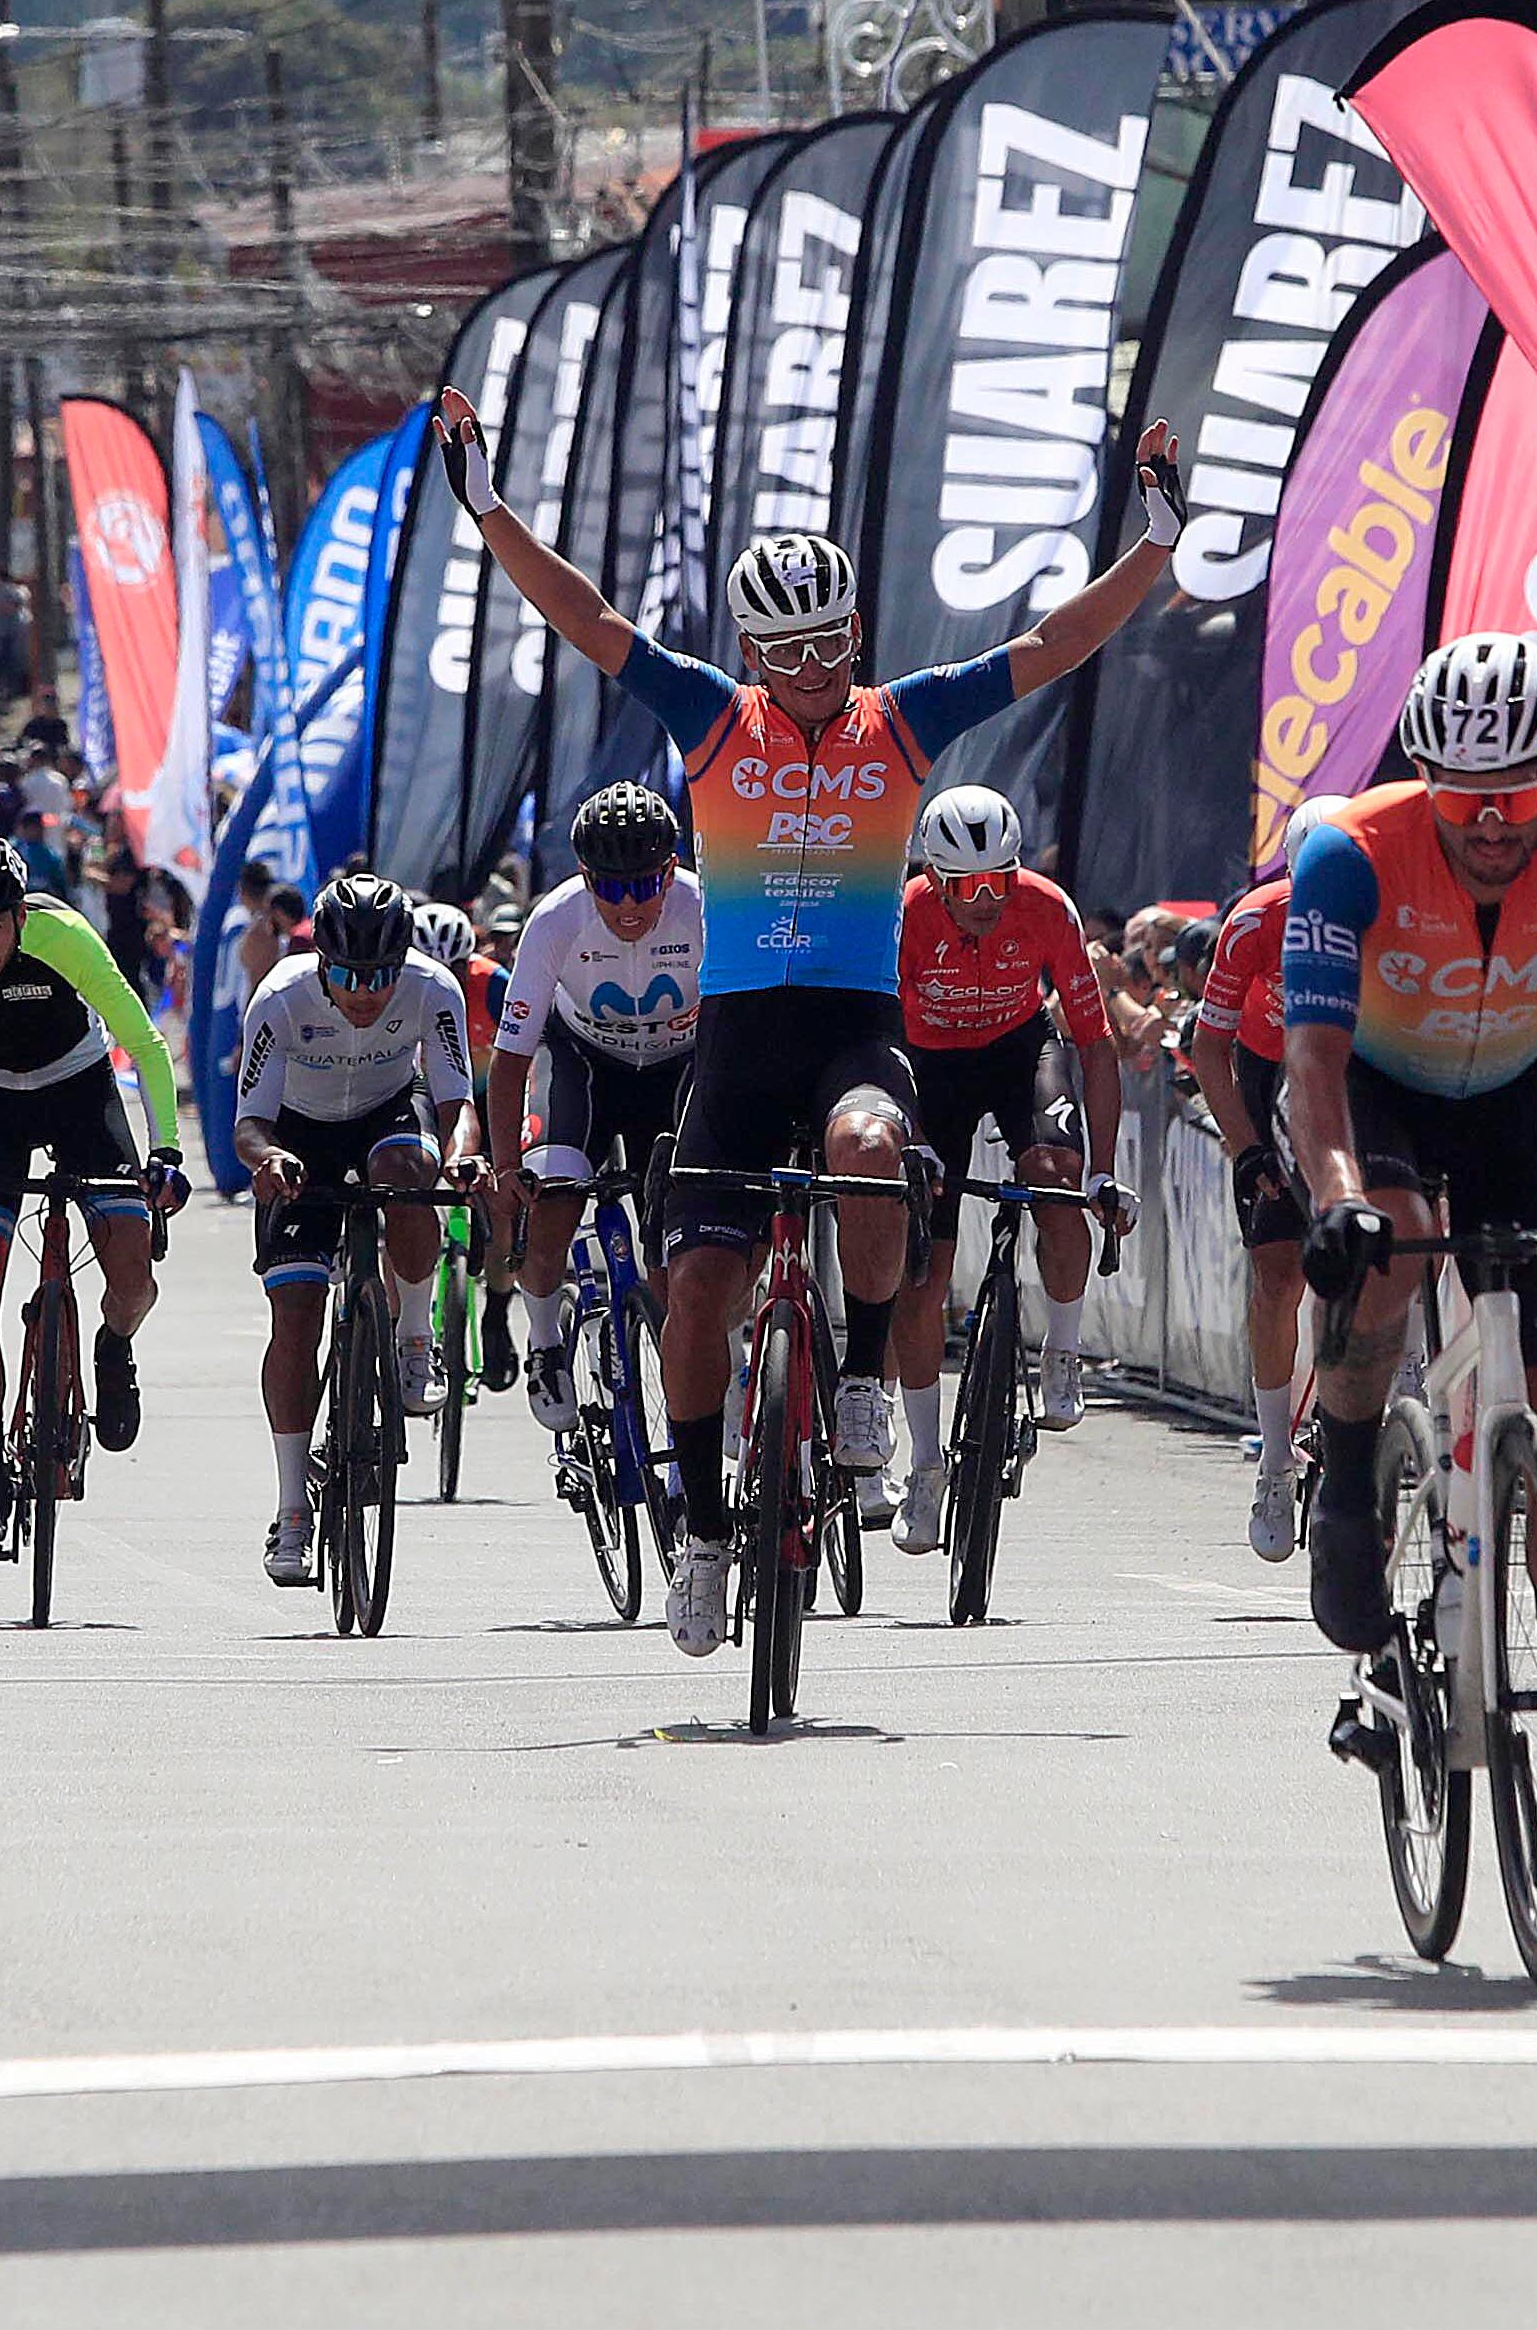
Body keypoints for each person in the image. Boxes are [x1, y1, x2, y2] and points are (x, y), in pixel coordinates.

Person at [437, 383, 1187, 1660]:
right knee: (697, 1296)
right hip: (730, 1036)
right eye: (787, 649)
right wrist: (490, 507)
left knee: (867, 1146)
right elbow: (588, 615)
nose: (813, 667)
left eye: (832, 640)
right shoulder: (711, 716)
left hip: (853, 1024)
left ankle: (852, 1376)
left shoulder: (902, 719)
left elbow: (1053, 644)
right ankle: (699, 1533)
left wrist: (1157, 544)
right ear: (750, 646)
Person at [1282, 631, 1537, 1677]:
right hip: (1382, 1085)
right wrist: (1335, 1193)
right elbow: (1311, 1059)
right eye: (1461, 799)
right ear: (1422, 775)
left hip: (1531, 1090)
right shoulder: (1349, 851)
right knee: (1391, 1240)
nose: (1490, 822)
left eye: (1514, 794)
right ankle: (1352, 1474)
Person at [0, 830, 190, 1559]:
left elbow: (146, 1047)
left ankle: (113, 1344)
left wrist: (165, 1153)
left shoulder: (64, 935)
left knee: (130, 1267)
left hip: (77, 1089)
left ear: (20, 917)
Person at [886, 782, 1123, 1554]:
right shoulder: (906, 916)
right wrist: (912, 1135)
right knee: (922, 1270)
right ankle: (924, 1467)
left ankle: (1060, 1348)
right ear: (934, 876)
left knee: (1055, 1173)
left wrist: (1103, 1172)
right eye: (966, 886)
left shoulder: (1047, 907)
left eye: (1000, 880)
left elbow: (1094, 1043)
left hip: (1021, 1049)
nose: (985, 900)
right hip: (930, 1067)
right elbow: (880, 1038)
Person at [234, 872, 484, 1587]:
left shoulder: (433, 989)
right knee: (295, 1315)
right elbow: (249, 1122)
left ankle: (414, 1340)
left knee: (412, 1169)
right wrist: (268, 1156)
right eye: (347, 974)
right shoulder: (281, 997)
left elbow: (454, 1098)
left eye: (380, 973)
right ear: (320, 963)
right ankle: (291, 1508)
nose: (366, 991)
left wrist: (464, 1157)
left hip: (386, 1114)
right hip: (298, 1137)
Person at [486, 782, 704, 1441]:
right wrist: (503, 1168)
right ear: (586, 879)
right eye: (610, 889)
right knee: (553, 1192)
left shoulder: (703, 909)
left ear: (670, 870)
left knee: (680, 1240)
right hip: (583, 1063)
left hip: (677, 1067)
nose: (630, 905)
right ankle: (546, 1341)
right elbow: (512, 1059)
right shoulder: (554, 920)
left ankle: (698, 1372)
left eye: (645, 885)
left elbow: (741, 1033)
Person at [1187, 802, 1337, 1561]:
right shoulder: (1254, 919)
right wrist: (1245, 1150)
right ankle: (1276, 1457)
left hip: (1350, 1067)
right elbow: (1206, 1049)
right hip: (1265, 1067)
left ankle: (1400, 1373)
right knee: (1278, 1274)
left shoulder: (1391, 910)